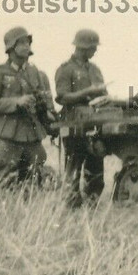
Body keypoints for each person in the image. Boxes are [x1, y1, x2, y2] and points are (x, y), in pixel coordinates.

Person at [0, 26, 58, 191]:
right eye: (21, 42)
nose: (26, 46)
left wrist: (49, 115)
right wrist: (17, 102)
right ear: (10, 48)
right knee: (3, 187)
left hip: (31, 137)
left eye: (28, 42)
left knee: (36, 184)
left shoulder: (37, 74)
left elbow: (46, 103)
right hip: (7, 137)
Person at [55, 29, 108, 207]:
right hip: (74, 123)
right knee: (73, 169)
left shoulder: (95, 70)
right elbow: (62, 97)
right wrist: (88, 92)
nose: (95, 51)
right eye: (93, 47)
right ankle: (71, 208)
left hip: (94, 122)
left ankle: (93, 204)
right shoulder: (65, 70)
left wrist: (103, 95)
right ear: (84, 47)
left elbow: (103, 92)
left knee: (96, 168)